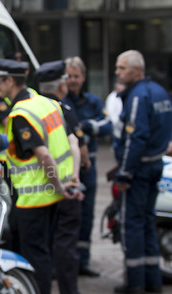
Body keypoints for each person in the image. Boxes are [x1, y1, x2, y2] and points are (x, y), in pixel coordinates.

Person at [0, 57, 82, 294]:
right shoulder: (47, 103)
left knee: (36, 257)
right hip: (55, 195)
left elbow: (43, 155)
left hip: (35, 199)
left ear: (10, 81)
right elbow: (73, 142)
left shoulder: (21, 114)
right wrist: (72, 178)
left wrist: (56, 185)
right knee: (46, 252)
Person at [35, 60, 96, 294]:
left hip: (37, 191)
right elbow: (75, 144)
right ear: (61, 84)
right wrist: (75, 178)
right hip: (65, 187)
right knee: (66, 243)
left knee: (42, 246)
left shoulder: (31, 108)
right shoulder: (62, 108)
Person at [113, 49, 172, 294]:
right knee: (148, 221)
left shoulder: (138, 95)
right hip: (155, 165)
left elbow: (135, 138)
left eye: (121, 68)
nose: (117, 72)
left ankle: (135, 282)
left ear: (136, 70)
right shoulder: (160, 92)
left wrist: (125, 174)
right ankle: (153, 279)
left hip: (138, 172)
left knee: (132, 225)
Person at [63, 56, 112, 277]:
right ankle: (66, 262)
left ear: (83, 77)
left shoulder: (92, 101)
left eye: (76, 76)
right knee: (68, 216)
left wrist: (85, 127)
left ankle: (83, 261)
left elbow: (107, 125)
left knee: (88, 215)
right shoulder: (60, 101)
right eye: (69, 76)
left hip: (88, 167)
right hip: (67, 169)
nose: (73, 80)